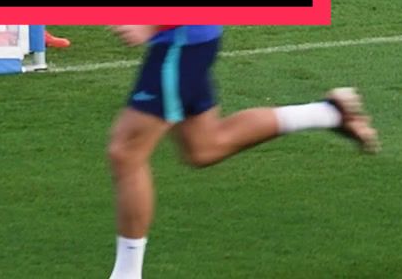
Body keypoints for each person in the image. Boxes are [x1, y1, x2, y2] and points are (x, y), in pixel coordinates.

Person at [106, 26, 379, 279]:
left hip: (182, 37)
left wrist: (151, 22)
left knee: (126, 153)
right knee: (203, 146)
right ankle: (329, 113)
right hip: (189, 38)